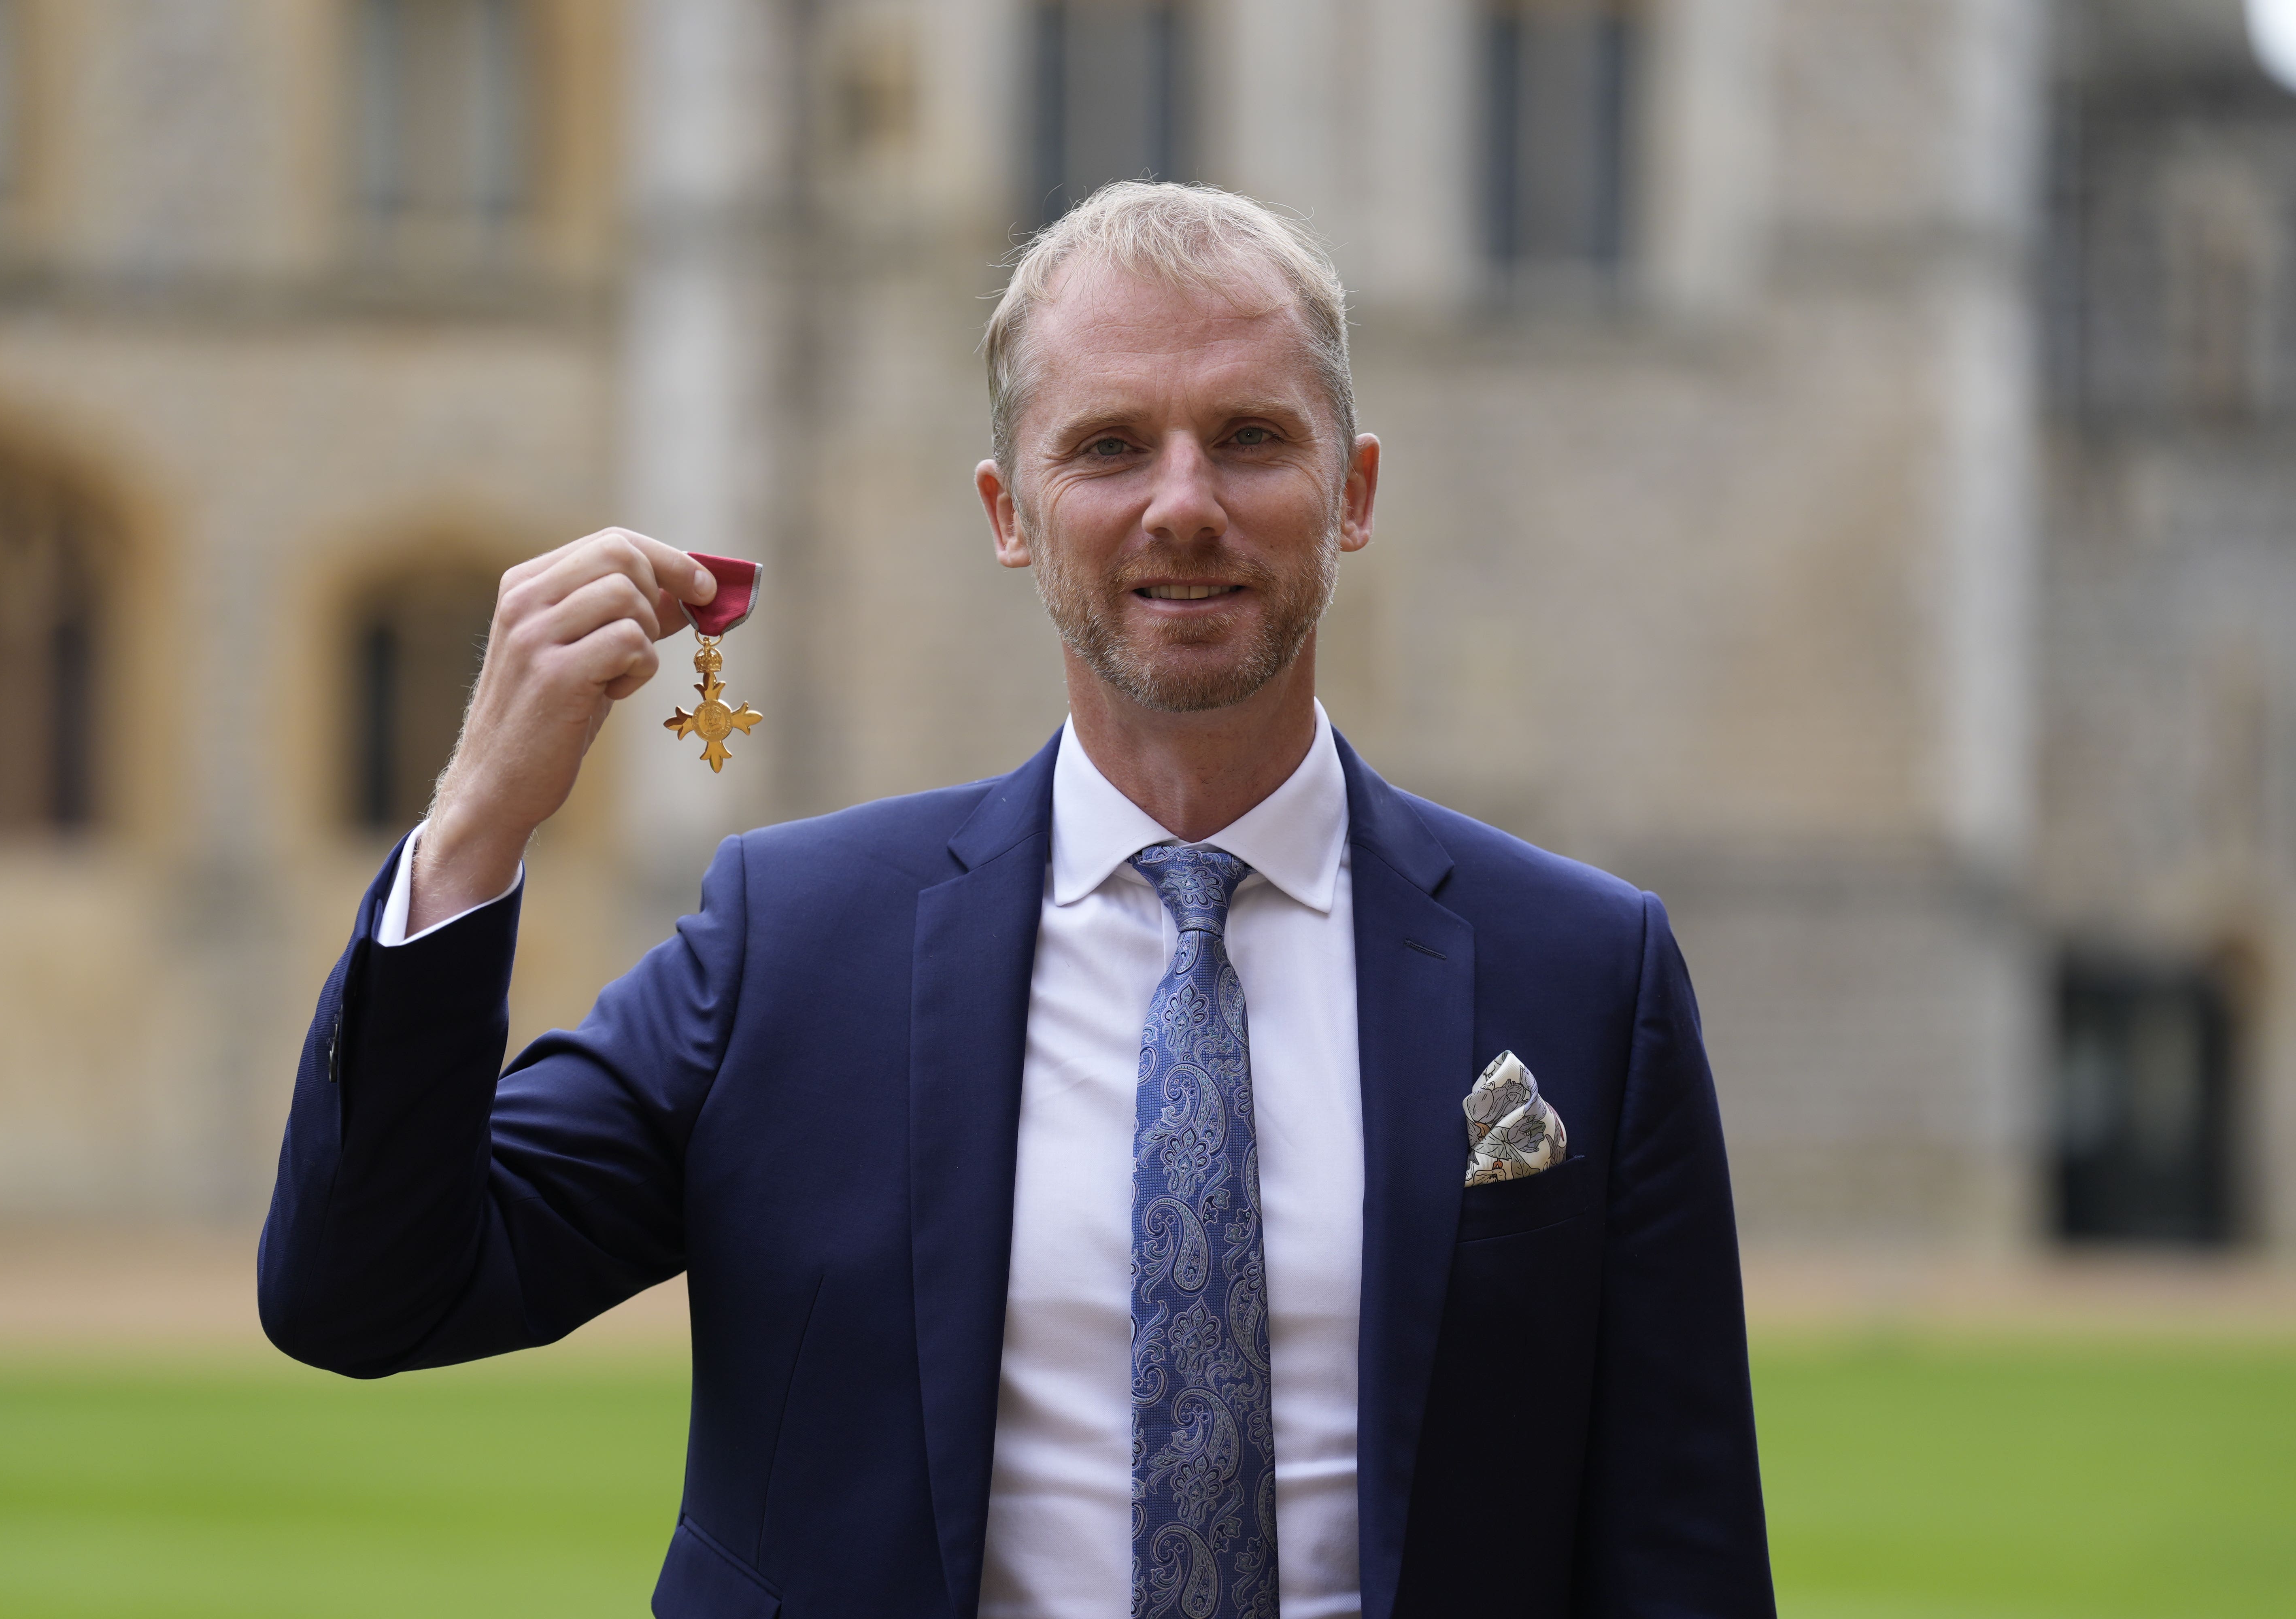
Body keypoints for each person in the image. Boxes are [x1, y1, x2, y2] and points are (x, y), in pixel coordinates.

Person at [260, 182, 1771, 1619]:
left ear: (1354, 491)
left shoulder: (1586, 970)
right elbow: (368, 1293)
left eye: (1250, 437)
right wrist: (474, 826)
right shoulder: (795, 945)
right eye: (1109, 446)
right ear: (1010, 512)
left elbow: (1683, 1557)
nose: (1183, 505)